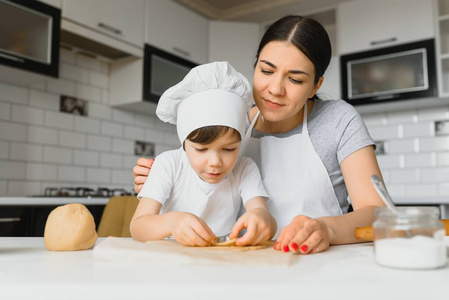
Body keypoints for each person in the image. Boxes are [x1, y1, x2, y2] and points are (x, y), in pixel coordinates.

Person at [133, 15, 385, 254]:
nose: (275, 89)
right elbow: (187, 171)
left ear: (315, 85)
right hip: (244, 266)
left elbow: (379, 215)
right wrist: (154, 178)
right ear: (255, 67)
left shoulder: (337, 120)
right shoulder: (230, 119)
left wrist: (326, 229)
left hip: (317, 263)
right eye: (266, 71)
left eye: (295, 80)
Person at [130, 61, 277, 247]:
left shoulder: (244, 168)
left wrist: (262, 218)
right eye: (201, 149)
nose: (215, 162)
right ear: (184, 144)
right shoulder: (168, 164)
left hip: (221, 262)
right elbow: (137, 226)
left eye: (229, 149)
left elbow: (265, 218)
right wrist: (172, 222)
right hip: (169, 262)